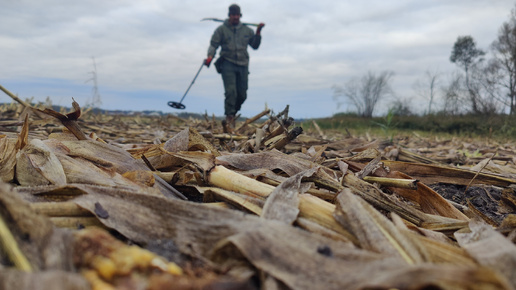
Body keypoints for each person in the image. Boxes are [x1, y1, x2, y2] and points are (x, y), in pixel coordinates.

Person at [204, 4, 264, 130]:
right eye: (233, 15)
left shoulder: (247, 30)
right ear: (229, 15)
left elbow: (255, 46)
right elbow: (213, 45)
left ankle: (233, 112)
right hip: (227, 63)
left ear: (240, 16)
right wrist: (210, 56)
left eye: (237, 15)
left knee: (242, 94)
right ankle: (230, 118)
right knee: (231, 92)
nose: (236, 17)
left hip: (243, 64)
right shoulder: (221, 30)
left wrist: (258, 32)